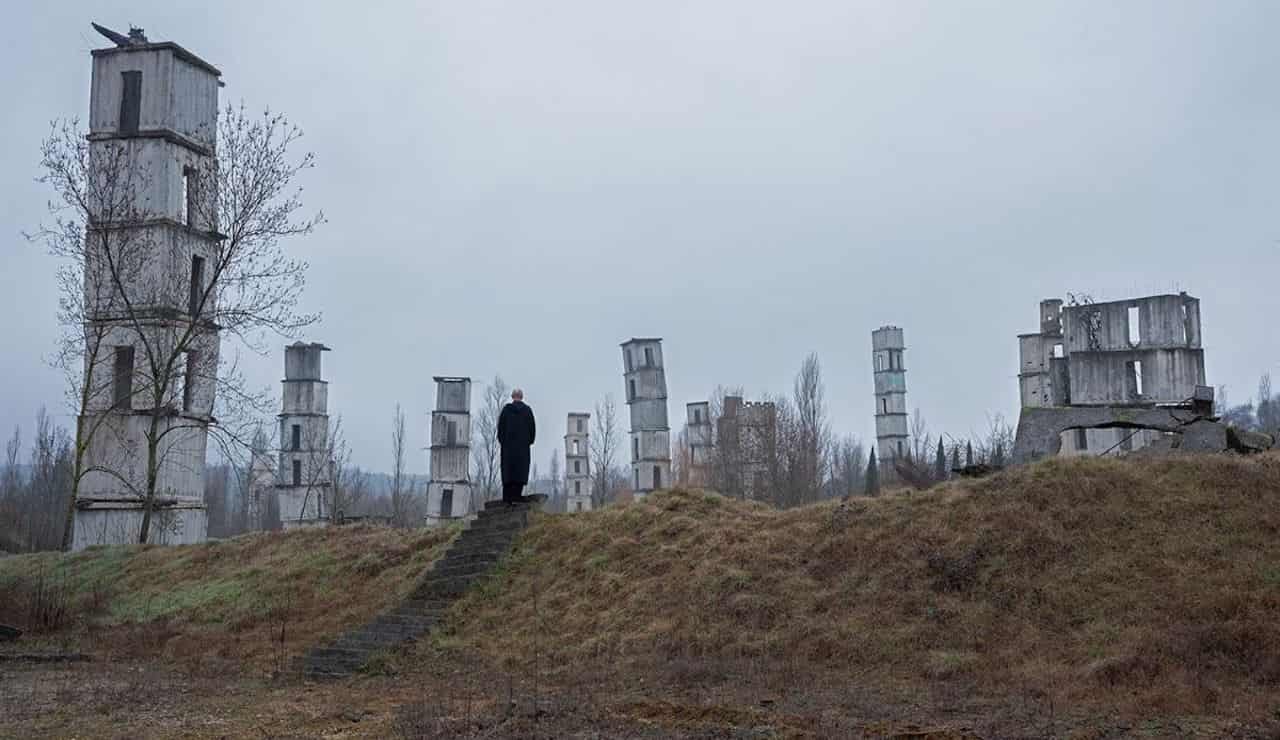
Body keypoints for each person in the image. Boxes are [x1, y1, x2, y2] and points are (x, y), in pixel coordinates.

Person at [497, 388, 536, 505]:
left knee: (508, 473)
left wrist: (504, 443)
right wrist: (527, 442)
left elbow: (500, 430)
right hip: (522, 450)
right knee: (520, 472)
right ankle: (517, 496)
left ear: (512, 397)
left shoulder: (506, 411)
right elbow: (532, 430)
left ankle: (507, 499)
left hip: (508, 450)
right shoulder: (527, 411)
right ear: (522, 397)